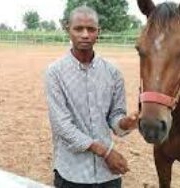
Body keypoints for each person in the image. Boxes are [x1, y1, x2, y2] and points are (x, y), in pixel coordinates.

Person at [45, 5, 139, 188]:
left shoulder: (113, 73)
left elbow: (115, 117)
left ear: (99, 32)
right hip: (72, 173)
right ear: (67, 29)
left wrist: (126, 123)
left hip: (108, 175)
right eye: (78, 29)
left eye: (91, 29)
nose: (85, 35)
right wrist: (105, 152)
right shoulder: (54, 73)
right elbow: (62, 127)